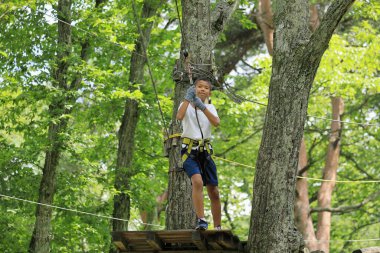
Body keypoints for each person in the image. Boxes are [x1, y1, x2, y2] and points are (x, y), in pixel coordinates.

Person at [176, 78, 221, 231]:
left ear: (209, 92)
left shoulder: (210, 107)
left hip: (205, 152)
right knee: (197, 182)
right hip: (189, 152)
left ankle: (218, 226)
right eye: (199, 87)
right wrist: (187, 99)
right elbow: (179, 117)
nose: (202, 89)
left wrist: (202, 107)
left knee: (214, 191)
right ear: (194, 89)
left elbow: (216, 122)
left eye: (206, 88)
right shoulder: (185, 105)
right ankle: (201, 220)